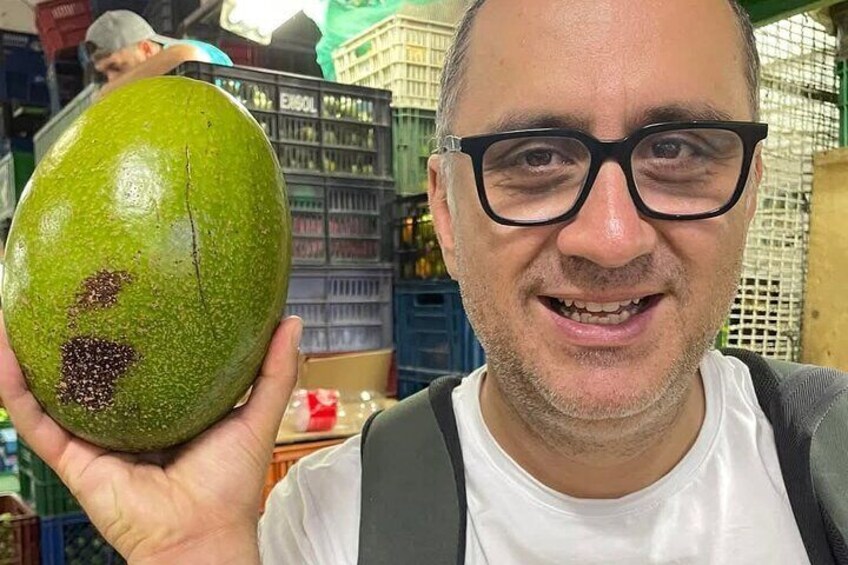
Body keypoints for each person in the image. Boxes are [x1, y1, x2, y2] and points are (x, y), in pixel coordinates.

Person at [0, 0, 841, 563]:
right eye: (534, 157)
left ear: (752, 186)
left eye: (679, 149)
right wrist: (194, 552)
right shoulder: (323, 529)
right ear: (442, 206)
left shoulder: (830, 465)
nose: (610, 237)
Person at [84, 10, 233, 98]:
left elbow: (187, 55)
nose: (111, 79)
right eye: (105, 74)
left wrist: (106, 93)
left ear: (147, 49)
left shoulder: (189, 48)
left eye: (116, 67)